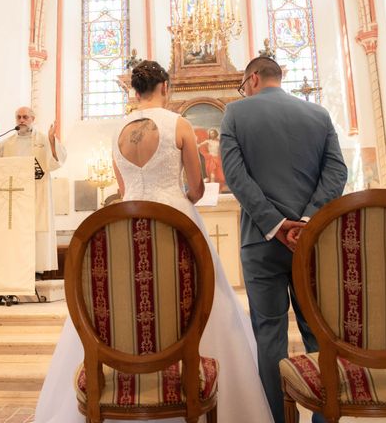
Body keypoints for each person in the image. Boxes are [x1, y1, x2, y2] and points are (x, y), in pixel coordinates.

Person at [34, 61, 273, 423]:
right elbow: (195, 186)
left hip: (128, 226)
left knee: (127, 299)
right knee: (195, 297)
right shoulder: (179, 124)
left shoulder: (118, 132)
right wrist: (179, 201)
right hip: (178, 223)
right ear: (165, 86)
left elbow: (125, 190)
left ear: (135, 90)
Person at [220, 56, 348, 423]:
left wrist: (275, 224)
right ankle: (324, 416)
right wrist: (307, 220)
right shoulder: (318, 115)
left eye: (244, 86)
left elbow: (235, 176)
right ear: (280, 76)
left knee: (269, 334)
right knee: (317, 330)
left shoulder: (235, 114)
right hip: (312, 242)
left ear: (254, 78)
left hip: (260, 242)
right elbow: (337, 169)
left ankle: (276, 419)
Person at [0, 106, 67, 273]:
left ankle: (35, 271)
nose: (21, 120)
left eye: (25, 117)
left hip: (37, 193)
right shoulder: (8, 142)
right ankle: (17, 271)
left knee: (36, 231)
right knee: (17, 233)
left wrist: (52, 140)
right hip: (15, 195)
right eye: (18, 117)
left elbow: (56, 162)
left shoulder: (43, 139)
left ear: (32, 119)